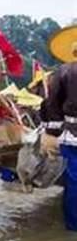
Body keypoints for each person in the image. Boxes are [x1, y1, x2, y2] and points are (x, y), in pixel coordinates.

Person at [40, 51, 77, 231]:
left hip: (71, 135)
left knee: (74, 182)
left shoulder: (63, 71)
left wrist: (51, 131)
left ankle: (73, 227)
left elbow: (52, 103)